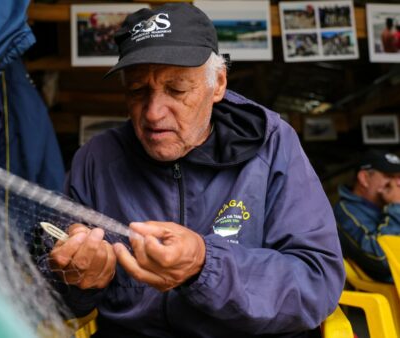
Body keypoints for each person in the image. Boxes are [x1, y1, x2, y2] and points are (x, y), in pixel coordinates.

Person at [44, 3, 345, 337]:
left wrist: (205, 265)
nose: (154, 113)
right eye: (137, 90)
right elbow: (56, 300)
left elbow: (317, 283)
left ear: (217, 84)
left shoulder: (273, 145)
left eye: (176, 89)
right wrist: (79, 281)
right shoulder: (96, 159)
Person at [334, 149, 400, 283]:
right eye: (389, 176)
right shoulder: (344, 213)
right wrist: (396, 207)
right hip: (387, 295)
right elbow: (381, 258)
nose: (397, 183)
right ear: (364, 178)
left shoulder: (386, 206)